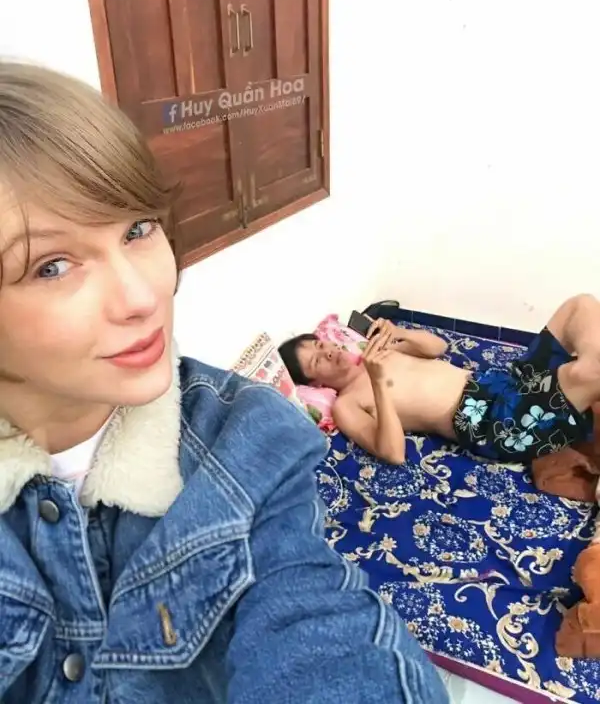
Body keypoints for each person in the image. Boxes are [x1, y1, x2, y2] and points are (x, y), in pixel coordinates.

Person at [0, 61, 449, 703]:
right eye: (52, 266)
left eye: (137, 229)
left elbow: (318, 627)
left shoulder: (251, 443)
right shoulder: (342, 403)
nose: (143, 295)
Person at [279, 298, 600, 465]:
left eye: (320, 344)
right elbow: (393, 453)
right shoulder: (347, 404)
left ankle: (583, 380)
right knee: (586, 372)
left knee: (580, 306)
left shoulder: (376, 353)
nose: (328, 352)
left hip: (501, 384)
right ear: (315, 384)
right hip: (494, 423)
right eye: (317, 361)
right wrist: (378, 384)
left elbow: (438, 348)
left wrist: (401, 334)